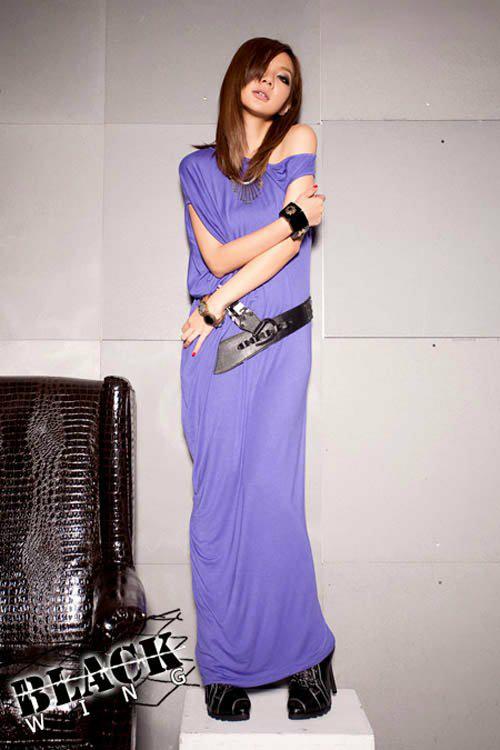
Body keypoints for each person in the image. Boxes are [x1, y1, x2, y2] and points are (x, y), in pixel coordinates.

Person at [179, 37, 337, 721]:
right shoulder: (194, 167)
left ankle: (306, 657)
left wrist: (219, 299)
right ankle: (223, 664)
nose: (271, 82)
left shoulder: (297, 141)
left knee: (273, 499)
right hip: (212, 347)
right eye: (262, 70)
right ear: (237, 76)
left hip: (274, 340)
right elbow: (217, 254)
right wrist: (292, 217)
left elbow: (288, 250)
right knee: (217, 506)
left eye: (285, 77)